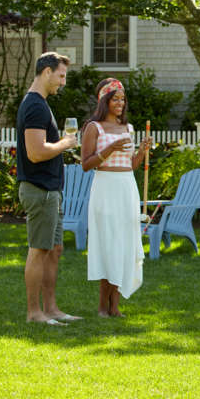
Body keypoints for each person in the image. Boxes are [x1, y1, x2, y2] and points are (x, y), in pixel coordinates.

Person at [17, 52, 80, 325]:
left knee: (54, 249)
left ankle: (52, 309)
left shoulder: (41, 104)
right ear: (46, 72)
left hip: (51, 190)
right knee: (39, 249)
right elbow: (35, 152)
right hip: (39, 189)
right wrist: (66, 143)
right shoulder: (34, 106)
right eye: (61, 75)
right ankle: (34, 313)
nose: (63, 82)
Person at [81, 78, 152, 317]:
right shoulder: (94, 127)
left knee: (123, 245)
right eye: (116, 99)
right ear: (105, 101)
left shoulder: (128, 128)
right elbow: (86, 164)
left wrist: (141, 151)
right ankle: (102, 306)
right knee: (107, 244)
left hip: (126, 188)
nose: (120, 103)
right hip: (105, 188)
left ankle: (115, 306)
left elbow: (130, 166)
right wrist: (110, 149)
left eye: (123, 99)